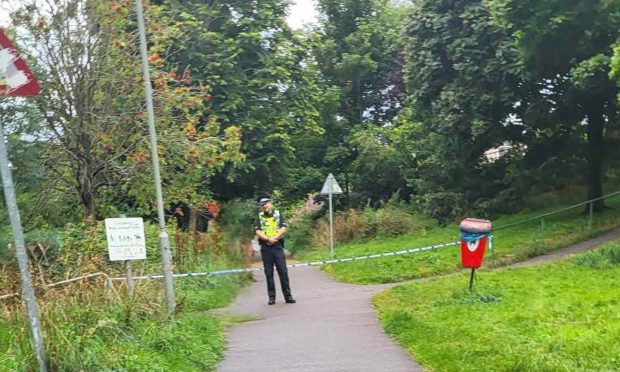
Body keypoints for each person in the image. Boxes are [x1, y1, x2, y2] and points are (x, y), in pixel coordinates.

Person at [254, 196, 296, 305]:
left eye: (266, 203)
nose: (265, 206)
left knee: (283, 272)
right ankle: (272, 298)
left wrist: (275, 238)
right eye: (262, 204)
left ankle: (288, 296)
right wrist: (268, 239)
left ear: (270, 203)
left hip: (277, 246)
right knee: (269, 273)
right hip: (266, 247)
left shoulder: (278, 214)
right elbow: (258, 231)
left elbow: (283, 228)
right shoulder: (259, 217)